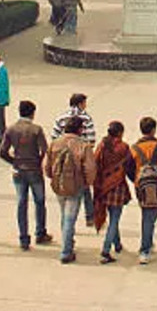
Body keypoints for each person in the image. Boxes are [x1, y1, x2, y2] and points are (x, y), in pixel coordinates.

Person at [0, 100, 52, 250]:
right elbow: (44, 150)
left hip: (18, 170)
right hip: (34, 170)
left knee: (21, 203)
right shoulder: (36, 130)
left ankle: (24, 238)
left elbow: (3, 152)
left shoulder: (11, 129)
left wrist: (14, 162)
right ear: (32, 113)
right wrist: (38, 162)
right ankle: (40, 232)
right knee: (40, 201)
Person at [123, 116, 157, 265]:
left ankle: (148, 243)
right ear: (153, 130)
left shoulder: (134, 149)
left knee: (147, 214)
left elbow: (128, 169)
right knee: (150, 217)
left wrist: (137, 180)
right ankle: (145, 249)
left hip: (142, 187)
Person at [46, 115, 97, 264]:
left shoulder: (55, 143)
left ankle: (68, 242)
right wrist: (87, 183)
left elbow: (46, 165)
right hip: (76, 186)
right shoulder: (83, 146)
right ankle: (66, 251)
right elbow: (90, 168)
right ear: (80, 130)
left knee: (64, 214)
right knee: (70, 218)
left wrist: (52, 177)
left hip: (59, 184)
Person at [52, 93, 97, 226]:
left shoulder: (61, 118)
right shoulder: (86, 118)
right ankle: (89, 216)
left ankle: (68, 221)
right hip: (80, 156)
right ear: (80, 104)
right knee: (84, 186)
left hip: (62, 157)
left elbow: (54, 137)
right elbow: (91, 140)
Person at [93, 120, 132, 264]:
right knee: (115, 219)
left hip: (103, 187)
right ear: (120, 133)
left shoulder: (102, 146)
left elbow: (95, 163)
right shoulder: (124, 147)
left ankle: (118, 244)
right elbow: (129, 167)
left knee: (112, 217)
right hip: (118, 187)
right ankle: (105, 250)